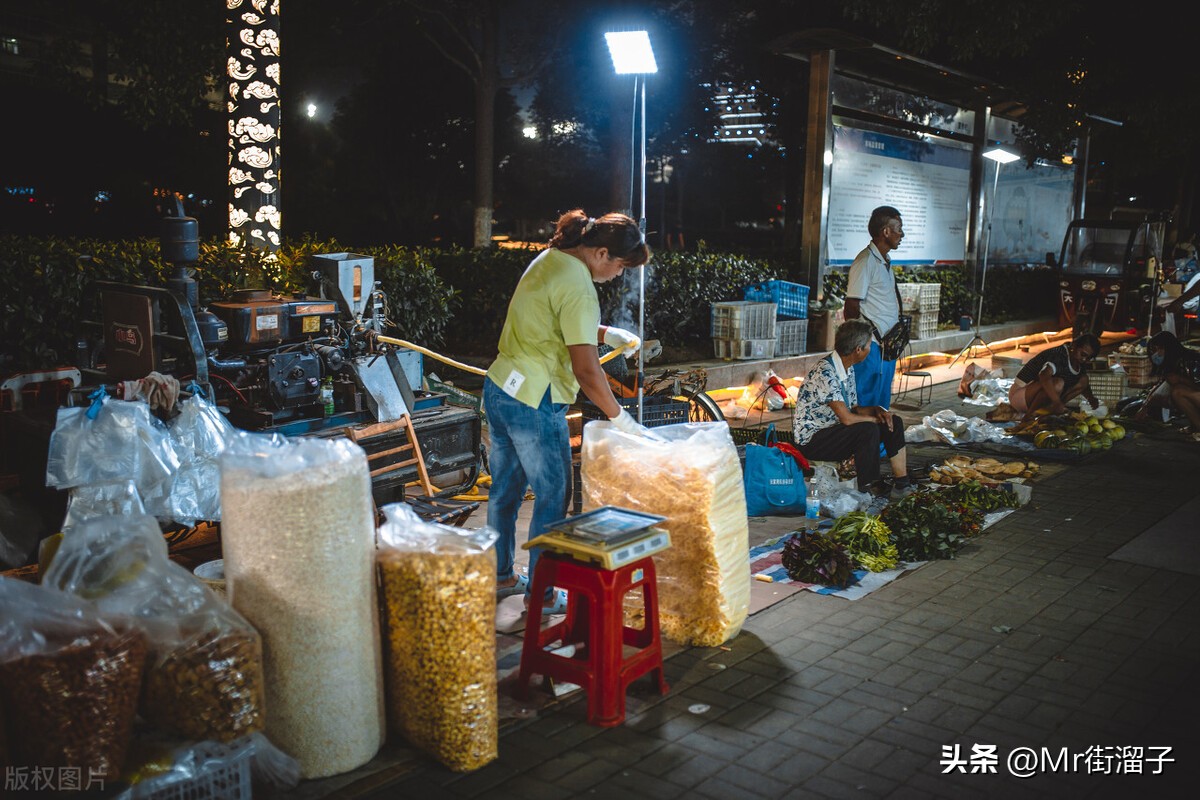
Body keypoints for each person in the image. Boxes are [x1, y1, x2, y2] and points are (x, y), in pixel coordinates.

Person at [485, 209, 655, 615]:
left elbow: (552, 317)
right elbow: (586, 369)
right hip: (534, 401)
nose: (618, 275)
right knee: (552, 497)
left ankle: (501, 576)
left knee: (504, 492)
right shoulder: (580, 285)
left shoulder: (551, 259)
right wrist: (619, 415)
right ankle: (542, 598)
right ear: (600, 253)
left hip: (500, 389)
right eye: (619, 266)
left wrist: (603, 331)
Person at [791, 319, 912, 498]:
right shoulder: (825, 372)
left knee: (893, 421)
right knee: (868, 430)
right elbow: (847, 418)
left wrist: (878, 411)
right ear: (858, 350)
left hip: (834, 431)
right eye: (869, 345)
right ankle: (867, 488)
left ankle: (902, 484)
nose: (870, 350)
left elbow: (855, 409)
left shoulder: (847, 368)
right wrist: (874, 419)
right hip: (812, 440)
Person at [844, 205, 905, 410]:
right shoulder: (865, 261)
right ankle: (863, 440)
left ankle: (878, 441)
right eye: (898, 228)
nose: (901, 234)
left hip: (887, 346)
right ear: (885, 231)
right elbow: (852, 305)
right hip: (871, 347)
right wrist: (861, 341)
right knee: (865, 400)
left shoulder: (885, 261)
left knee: (881, 402)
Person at [1008, 333, 1101, 421]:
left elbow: (1084, 383)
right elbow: (1044, 376)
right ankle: (1029, 416)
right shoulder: (1059, 354)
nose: (1084, 359)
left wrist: (1091, 398)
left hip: (1034, 396)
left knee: (1084, 380)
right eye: (1083, 354)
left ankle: (1048, 412)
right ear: (1073, 346)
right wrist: (1057, 402)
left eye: (1088, 358)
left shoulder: (1079, 361)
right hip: (1019, 396)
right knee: (1058, 383)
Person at [1138, 330, 1200, 439]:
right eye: (1154, 350)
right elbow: (1160, 385)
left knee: (1178, 391)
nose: (1157, 354)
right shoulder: (1172, 364)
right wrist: (1145, 406)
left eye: (1160, 349)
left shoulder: (1193, 360)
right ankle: (1196, 426)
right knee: (1175, 392)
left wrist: (1181, 379)